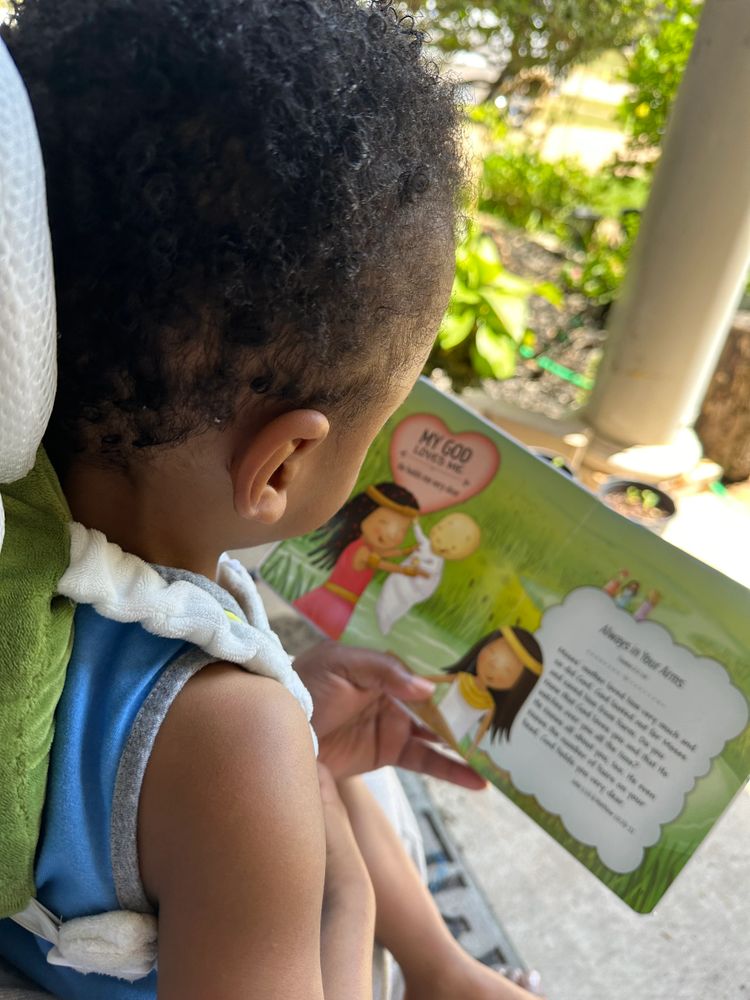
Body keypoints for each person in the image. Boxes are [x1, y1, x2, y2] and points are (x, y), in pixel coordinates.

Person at [0, 2, 540, 999]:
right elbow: (263, 803)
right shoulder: (238, 743)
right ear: (283, 465)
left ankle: (444, 967)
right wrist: (347, 909)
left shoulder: (23, 556)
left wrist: (294, 727)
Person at [295, 482, 426, 639]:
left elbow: (383, 554)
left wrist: (406, 551)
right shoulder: (363, 551)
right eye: (384, 522)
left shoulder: (366, 547)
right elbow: (381, 563)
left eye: (402, 530)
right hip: (335, 605)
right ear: (364, 514)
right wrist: (405, 570)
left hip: (333, 601)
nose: (392, 534)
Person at [423, 629, 543, 752]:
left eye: (507, 670)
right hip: (429, 725)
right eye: (491, 651)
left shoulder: (488, 705)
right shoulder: (461, 678)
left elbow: (481, 731)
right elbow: (435, 679)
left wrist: (471, 749)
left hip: (448, 742)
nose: (492, 665)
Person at [376, 511, 481, 633]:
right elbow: (419, 535)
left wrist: (419, 564)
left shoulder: (437, 561)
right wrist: (416, 524)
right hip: (403, 577)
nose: (436, 532)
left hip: (415, 587)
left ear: (450, 550)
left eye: (440, 539)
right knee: (390, 590)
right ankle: (382, 611)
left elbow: (430, 571)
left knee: (401, 601)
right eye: (439, 527)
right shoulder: (426, 544)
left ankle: (387, 620)